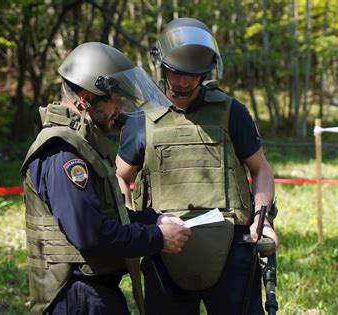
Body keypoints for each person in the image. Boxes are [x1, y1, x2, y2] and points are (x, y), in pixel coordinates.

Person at [115, 18, 279, 314]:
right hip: (164, 245)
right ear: (161, 66)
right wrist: (133, 228)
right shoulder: (142, 120)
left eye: (193, 75)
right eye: (176, 72)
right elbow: (119, 177)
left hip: (233, 243)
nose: (183, 82)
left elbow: (261, 169)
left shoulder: (232, 112)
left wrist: (262, 219)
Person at [20, 42, 191, 315]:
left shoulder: (81, 145)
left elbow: (107, 216)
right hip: (76, 296)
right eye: (115, 99)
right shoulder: (63, 152)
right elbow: (91, 233)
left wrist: (153, 219)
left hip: (91, 292)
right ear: (88, 96)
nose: (120, 110)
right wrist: (157, 237)